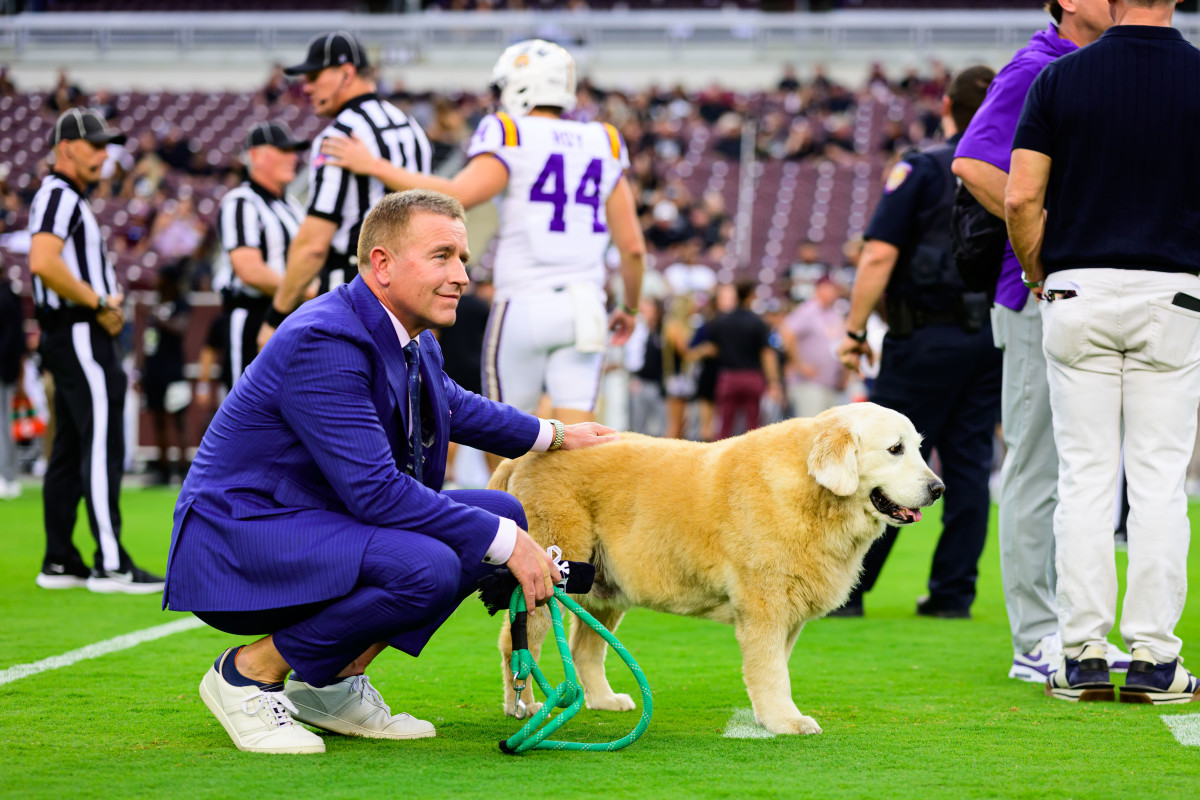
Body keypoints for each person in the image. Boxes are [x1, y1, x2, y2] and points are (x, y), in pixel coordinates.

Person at [165, 190, 619, 754]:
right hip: (241, 538)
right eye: (442, 256)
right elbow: (376, 492)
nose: (460, 275)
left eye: (462, 259)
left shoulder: (407, 334)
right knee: (430, 562)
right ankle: (246, 672)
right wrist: (510, 546)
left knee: (499, 510)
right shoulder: (325, 338)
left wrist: (553, 434)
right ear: (381, 264)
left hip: (308, 523)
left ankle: (328, 683)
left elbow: (452, 405)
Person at [1007, 0, 1200, 704]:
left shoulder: (1061, 80)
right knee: (1158, 482)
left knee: (1084, 479)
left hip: (1077, 287)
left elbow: (1022, 198)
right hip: (1173, 291)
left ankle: (1083, 650)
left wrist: (1037, 272)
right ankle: (1153, 657)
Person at [318, 39, 645, 428]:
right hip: (583, 306)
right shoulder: (604, 140)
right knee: (579, 435)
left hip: (523, 299)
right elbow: (633, 248)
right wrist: (630, 307)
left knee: (509, 432)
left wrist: (374, 165)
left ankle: (511, 494)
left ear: (520, 85)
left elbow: (453, 195)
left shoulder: (510, 131)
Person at [952, 0, 1123, 683]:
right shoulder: (1035, 67)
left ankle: (1075, 628)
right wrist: (1050, 238)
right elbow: (972, 162)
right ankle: (1035, 636)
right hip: (1034, 294)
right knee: (1038, 468)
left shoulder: (1090, 67)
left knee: (1083, 470)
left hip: (1075, 291)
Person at [835, 67, 1001, 619]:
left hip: (924, 334)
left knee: (890, 457)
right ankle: (953, 594)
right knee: (970, 463)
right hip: (987, 335)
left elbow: (878, 253)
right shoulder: (1008, 166)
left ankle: (850, 591)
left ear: (948, 105)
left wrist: (856, 330)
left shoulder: (923, 166)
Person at [28, 108, 164, 593]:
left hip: (71, 332)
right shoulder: (59, 194)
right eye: (95, 144)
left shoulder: (63, 196)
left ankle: (60, 559)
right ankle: (111, 561)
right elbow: (43, 262)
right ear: (67, 148)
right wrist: (99, 300)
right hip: (80, 331)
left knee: (68, 447)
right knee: (102, 440)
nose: (105, 154)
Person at [258, 31, 432, 348]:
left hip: (356, 290)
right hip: (412, 295)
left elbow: (313, 243)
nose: (306, 87)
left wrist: (276, 316)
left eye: (314, 76)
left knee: (343, 393)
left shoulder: (339, 136)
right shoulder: (411, 127)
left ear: (346, 73)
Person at [214, 121, 308, 387]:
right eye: (282, 150)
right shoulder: (241, 201)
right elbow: (249, 269)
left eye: (292, 151)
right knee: (246, 403)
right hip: (251, 315)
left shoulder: (291, 205)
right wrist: (302, 289)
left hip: (287, 313)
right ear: (255, 156)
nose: (292, 157)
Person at [691, 281, 783, 440]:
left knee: (724, 426)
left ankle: (721, 462)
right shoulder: (758, 322)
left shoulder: (721, 321)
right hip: (752, 377)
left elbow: (710, 349)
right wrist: (773, 381)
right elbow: (767, 354)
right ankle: (752, 462)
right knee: (753, 427)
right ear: (750, 296)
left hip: (728, 377)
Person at [140, 264, 192, 485]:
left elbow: (180, 328)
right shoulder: (156, 304)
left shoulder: (181, 304)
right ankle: (162, 468)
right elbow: (148, 341)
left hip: (173, 370)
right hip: (154, 369)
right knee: (158, 418)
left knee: (178, 419)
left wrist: (157, 317)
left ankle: (182, 468)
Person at [781, 275, 846, 418]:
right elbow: (787, 333)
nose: (833, 292)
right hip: (809, 384)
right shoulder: (808, 310)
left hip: (831, 384)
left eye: (834, 289)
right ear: (819, 289)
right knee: (811, 432)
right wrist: (798, 364)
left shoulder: (835, 313)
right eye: (829, 288)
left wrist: (844, 374)